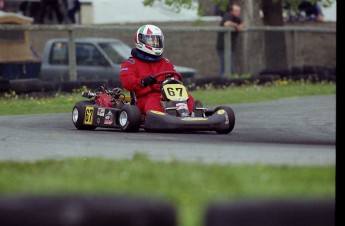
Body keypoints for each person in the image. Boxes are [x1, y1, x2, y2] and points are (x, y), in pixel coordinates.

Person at [120, 24, 195, 115]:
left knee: (188, 98)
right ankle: (163, 119)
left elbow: (175, 75)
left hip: (167, 95)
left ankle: (190, 115)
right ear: (140, 40)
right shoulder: (131, 63)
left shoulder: (165, 62)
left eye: (157, 40)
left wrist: (173, 80)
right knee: (153, 101)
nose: (155, 43)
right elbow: (127, 83)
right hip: (145, 98)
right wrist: (143, 81)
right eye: (152, 41)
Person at [216, 3, 244, 76]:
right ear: (231, 11)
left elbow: (242, 25)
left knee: (229, 64)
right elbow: (227, 23)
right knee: (226, 65)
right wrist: (236, 25)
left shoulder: (237, 19)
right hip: (223, 47)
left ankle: (228, 80)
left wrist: (239, 26)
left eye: (239, 11)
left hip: (230, 47)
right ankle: (224, 81)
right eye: (236, 11)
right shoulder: (228, 16)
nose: (238, 13)